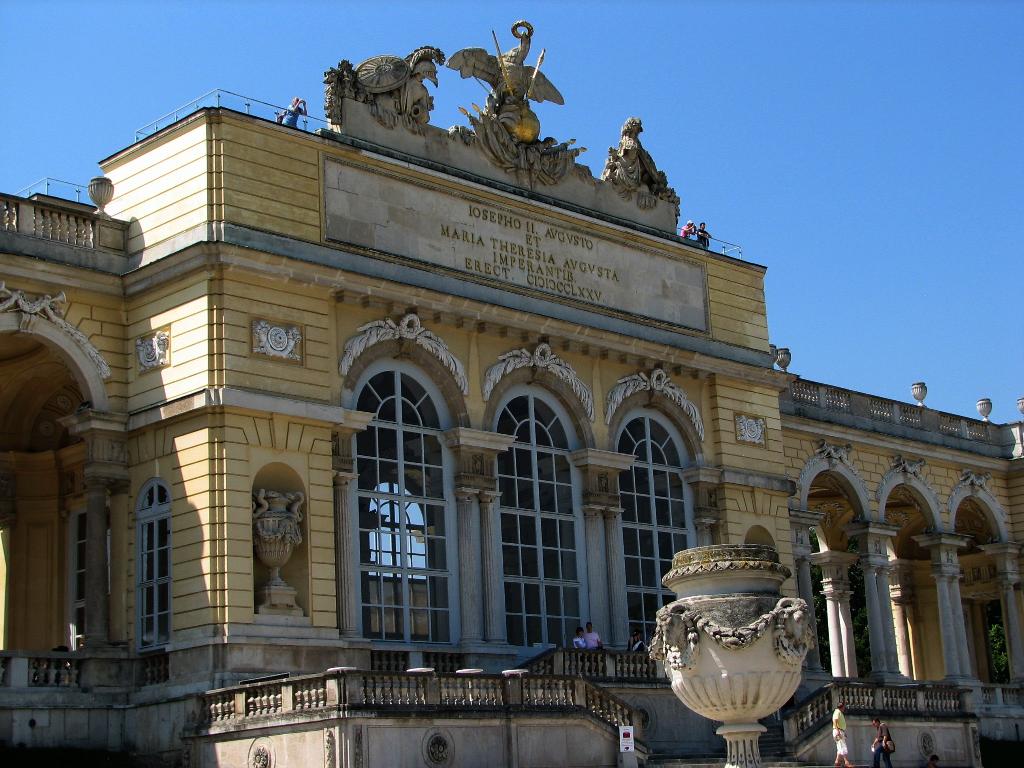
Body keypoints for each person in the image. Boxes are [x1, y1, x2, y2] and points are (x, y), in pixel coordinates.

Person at [832, 702, 853, 768]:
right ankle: (846, 762)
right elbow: (834, 721)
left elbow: (840, 724)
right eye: (844, 707)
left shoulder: (839, 712)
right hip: (838, 731)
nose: (844, 708)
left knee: (840, 746)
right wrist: (838, 731)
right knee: (842, 746)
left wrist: (843, 732)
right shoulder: (837, 712)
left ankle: (837, 762)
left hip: (840, 730)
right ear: (842, 707)